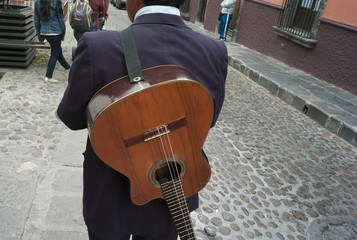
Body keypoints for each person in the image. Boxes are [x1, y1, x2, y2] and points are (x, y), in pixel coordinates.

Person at [57, 0, 228, 238]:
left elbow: (70, 117)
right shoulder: (213, 51)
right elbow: (208, 120)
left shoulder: (98, 46)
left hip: (108, 198)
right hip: (172, 195)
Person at [34, 0, 71, 83]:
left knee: (57, 51)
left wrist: (40, 37)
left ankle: (67, 68)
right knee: (55, 53)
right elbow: (61, 18)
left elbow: (36, 21)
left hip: (44, 31)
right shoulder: (56, 1)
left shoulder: (37, 2)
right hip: (55, 31)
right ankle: (48, 76)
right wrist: (63, 32)